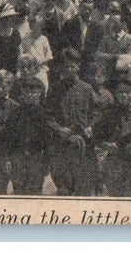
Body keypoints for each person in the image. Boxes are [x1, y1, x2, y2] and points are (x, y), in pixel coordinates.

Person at [45, 48, 98, 196]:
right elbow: (48, 115)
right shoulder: (55, 89)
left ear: (78, 67)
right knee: (63, 188)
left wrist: (90, 126)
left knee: (84, 188)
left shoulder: (87, 89)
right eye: (66, 66)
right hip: (62, 142)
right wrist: (58, 129)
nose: (69, 69)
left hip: (83, 144)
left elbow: (97, 112)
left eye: (72, 66)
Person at [93, 74, 131, 197]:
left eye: (128, 92)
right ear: (115, 93)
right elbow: (97, 139)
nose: (124, 95)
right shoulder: (108, 114)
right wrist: (109, 145)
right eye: (120, 92)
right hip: (114, 164)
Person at [4, 76, 50, 195]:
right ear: (23, 94)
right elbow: (8, 137)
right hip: (18, 158)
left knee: (35, 193)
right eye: (27, 92)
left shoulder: (44, 114)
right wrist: (8, 158)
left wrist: (47, 162)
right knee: (19, 192)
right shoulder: (15, 113)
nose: (30, 95)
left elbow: (48, 141)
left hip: (36, 158)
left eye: (33, 92)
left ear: (39, 93)